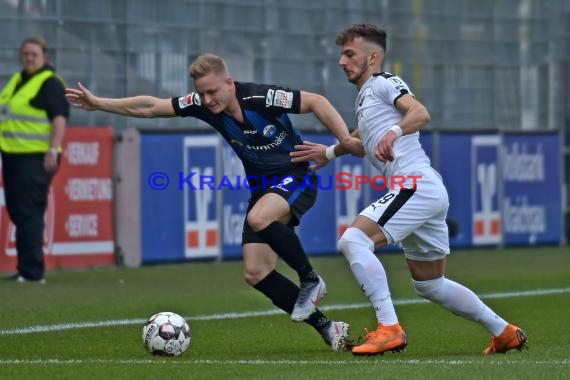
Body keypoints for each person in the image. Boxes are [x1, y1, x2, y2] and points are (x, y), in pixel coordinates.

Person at [65, 53, 363, 351]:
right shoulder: (201, 105)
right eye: (202, 93)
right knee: (256, 272)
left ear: (229, 83)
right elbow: (151, 106)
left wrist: (343, 142)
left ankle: (310, 279)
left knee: (259, 219)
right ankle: (328, 327)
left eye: (212, 91)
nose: (207, 99)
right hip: (263, 188)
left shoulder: (261, 97)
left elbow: (317, 102)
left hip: (298, 175)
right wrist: (100, 103)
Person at [291, 24, 528, 355]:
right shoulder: (367, 97)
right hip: (425, 189)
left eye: (349, 54)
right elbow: (360, 141)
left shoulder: (384, 82)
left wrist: (395, 131)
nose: (342, 61)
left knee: (353, 239)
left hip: (413, 183)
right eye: (341, 55)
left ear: (373, 57)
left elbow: (420, 113)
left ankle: (389, 327)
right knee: (430, 283)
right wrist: (330, 152)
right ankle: (504, 332)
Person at [0, 37, 68, 283]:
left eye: (34, 54)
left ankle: (32, 273)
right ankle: (26, 267)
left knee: (28, 211)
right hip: (13, 155)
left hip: (36, 157)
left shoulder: (49, 82)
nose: (29, 58)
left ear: (44, 57)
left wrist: (53, 150)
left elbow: (59, 118)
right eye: (25, 53)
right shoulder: (18, 80)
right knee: (19, 211)